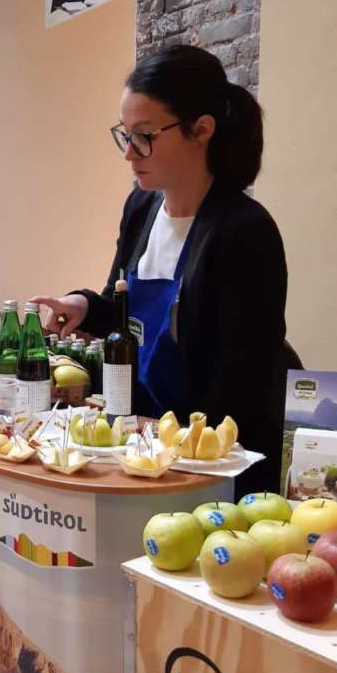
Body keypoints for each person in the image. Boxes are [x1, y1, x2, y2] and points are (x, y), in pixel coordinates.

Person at [33, 45, 298, 495]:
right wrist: (82, 305)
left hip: (216, 461)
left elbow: (239, 382)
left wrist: (173, 452)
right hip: (152, 445)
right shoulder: (141, 207)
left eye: (145, 136)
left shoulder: (244, 231)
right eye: (125, 135)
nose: (129, 154)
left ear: (201, 130)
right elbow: (123, 306)